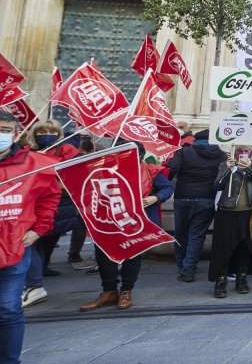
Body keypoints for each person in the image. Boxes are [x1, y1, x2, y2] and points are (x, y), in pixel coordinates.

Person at [80, 147, 174, 311]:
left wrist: (155, 197)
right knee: (103, 255)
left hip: (136, 222)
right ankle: (108, 291)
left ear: (141, 155)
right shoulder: (106, 169)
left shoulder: (150, 170)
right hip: (109, 220)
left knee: (132, 255)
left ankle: (126, 291)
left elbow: (167, 188)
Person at [0, 111, 60, 362]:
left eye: (4, 130)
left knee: (8, 309)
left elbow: (49, 197)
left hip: (15, 247)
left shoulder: (36, 164)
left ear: (15, 134)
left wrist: (39, 230)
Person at [21, 121, 78, 308]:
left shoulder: (66, 149)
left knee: (40, 239)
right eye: (42, 131)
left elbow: (74, 171)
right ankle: (37, 276)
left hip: (58, 201)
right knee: (37, 241)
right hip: (33, 200)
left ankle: (35, 282)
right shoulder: (26, 150)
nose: (47, 134)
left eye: (52, 131)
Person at [164, 129, 226, 282]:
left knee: (180, 233)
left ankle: (182, 266)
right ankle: (188, 269)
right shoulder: (221, 155)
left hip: (183, 197)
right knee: (196, 235)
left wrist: (167, 185)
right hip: (206, 198)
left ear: (195, 140)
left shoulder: (185, 152)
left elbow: (170, 169)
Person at [208, 144, 252, 298]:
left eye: (247, 151)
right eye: (240, 151)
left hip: (249, 212)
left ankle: (242, 277)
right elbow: (217, 185)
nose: (243, 154)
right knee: (224, 248)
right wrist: (228, 170)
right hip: (227, 212)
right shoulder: (226, 164)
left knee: (245, 246)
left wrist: (250, 168)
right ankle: (220, 280)